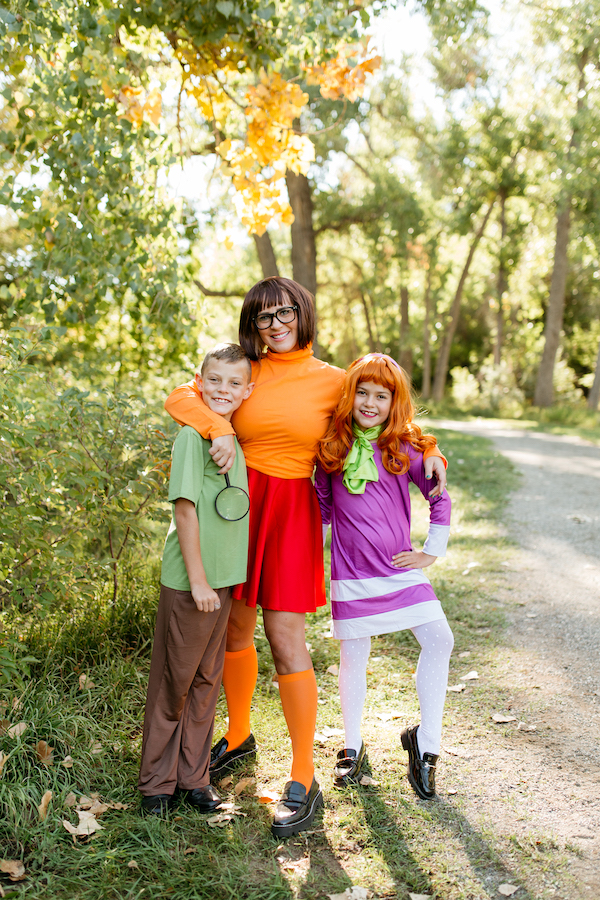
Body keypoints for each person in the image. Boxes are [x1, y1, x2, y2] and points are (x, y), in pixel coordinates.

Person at [164, 277, 448, 836]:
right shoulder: (242, 371)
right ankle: (240, 734)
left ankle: (303, 774)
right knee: (234, 630)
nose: (275, 324)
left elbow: (386, 413)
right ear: (253, 323)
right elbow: (179, 396)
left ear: (303, 313)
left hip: (293, 507)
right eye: (264, 316)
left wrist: (431, 448)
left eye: (285, 312)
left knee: (285, 637)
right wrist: (218, 424)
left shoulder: (334, 382)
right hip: (238, 506)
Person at [315, 353, 453, 800]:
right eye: (363, 392)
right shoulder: (332, 448)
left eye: (381, 395)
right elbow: (319, 505)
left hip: (398, 571)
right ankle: (351, 745)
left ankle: (426, 746)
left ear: (393, 402)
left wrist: (431, 552)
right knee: (354, 654)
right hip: (352, 572)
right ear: (349, 395)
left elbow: (438, 496)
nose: (370, 403)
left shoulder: (403, 447)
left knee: (439, 639)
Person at [138, 343, 254, 817]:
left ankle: (194, 777)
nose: (223, 390)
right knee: (175, 681)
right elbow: (185, 510)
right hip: (193, 583)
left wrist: (219, 581)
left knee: (208, 678)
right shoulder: (193, 435)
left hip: (224, 579)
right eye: (215, 380)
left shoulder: (230, 435)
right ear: (199, 382)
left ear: (248, 390)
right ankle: (156, 785)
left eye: (233, 383)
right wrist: (200, 581)